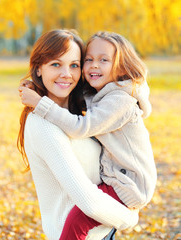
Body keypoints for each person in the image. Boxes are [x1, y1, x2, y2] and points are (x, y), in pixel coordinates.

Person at [19, 31, 157, 240]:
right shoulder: (44, 125)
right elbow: (89, 202)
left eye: (74, 65)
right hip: (83, 232)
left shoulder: (91, 105)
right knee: (77, 220)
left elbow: (79, 117)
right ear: (38, 68)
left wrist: (40, 98)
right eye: (56, 64)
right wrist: (130, 219)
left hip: (108, 224)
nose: (67, 73)